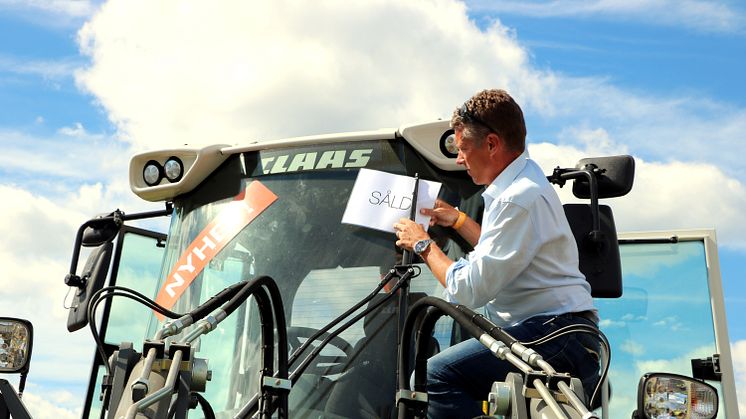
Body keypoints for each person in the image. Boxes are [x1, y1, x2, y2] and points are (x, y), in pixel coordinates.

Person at [393, 89, 601, 418]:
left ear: (491, 144)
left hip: (557, 335)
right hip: (561, 333)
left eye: (463, 149)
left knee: (433, 376)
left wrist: (422, 244)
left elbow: (469, 289)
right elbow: (504, 253)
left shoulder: (517, 198)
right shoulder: (521, 184)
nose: (460, 159)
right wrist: (459, 221)